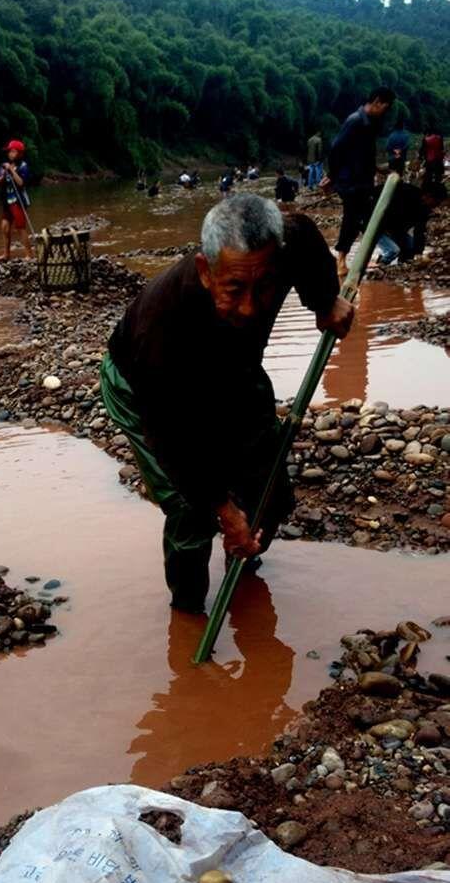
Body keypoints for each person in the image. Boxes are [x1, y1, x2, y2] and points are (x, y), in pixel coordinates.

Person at [100, 194, 354, 613]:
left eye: (265, 286)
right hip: (143, 388)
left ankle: (246, 567)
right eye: (234, 289)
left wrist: (325, 301)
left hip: (234, 368)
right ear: (205, 270)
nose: (251, 307)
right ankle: (188, 615)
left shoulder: (284, 244)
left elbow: (308, 241)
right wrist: (221, 506)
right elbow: (172, 436)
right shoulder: (162, 326)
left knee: (265, 481)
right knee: (190, 509)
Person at [325, 86, 395, 278]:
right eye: (385, 107)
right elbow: (337, 149)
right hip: (351, 182)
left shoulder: (369, 123)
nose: (385, 112)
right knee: (352, 219)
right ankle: (341, 261)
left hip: (362, 180)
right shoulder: (355, 121)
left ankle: (356, 258)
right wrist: (331, 176)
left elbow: (364, 153)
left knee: (362, 219)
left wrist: (378, 169)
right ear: (377, 101)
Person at [376, 180, 447, 265]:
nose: (436, 206)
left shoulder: (425, 208)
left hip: (395, 228)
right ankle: (380, 266)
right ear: (428, 196)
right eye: (437, 202)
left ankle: (403, 266)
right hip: (376, 224)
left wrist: (418, 253)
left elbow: (420, 230)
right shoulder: (406, 193)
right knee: (393, 250)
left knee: (410, 247)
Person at [0, 139, 32, 260]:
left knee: (20, 227)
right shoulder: (4, 166)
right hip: (7, 200)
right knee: (5, 227)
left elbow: (21, 183)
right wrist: (5, 173)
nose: (11, 154)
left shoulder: (23, 166)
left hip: (18, 200)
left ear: (20, 154)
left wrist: (11, 171)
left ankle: (29, 254)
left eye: (14, 152)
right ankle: (6, 254)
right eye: (9, 152)